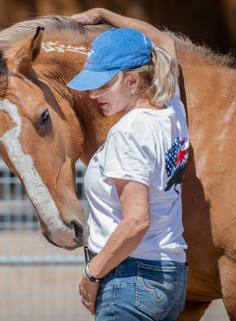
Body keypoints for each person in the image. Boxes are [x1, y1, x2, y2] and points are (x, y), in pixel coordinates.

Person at [67, 8, 189, 321]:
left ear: (133, 80)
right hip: (169, 275)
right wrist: (104, 15)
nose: (93, 94)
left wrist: (93, 274)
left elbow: (136, 221)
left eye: (103, 84)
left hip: (130, 279)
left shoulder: (128, 131)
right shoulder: (172, 108)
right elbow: (162, 40)